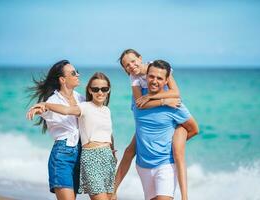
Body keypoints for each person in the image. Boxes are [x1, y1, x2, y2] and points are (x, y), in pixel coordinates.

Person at [114, 50, 199, 200]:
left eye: (134, 61)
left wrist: (175, 142)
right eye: (127, 65)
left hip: (166, 164)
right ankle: (112, 192)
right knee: (128, 151)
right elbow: (140, 106)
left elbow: (193, 129)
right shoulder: (136, 90)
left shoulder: (174, 104)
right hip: (143, 166)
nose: (132, 66)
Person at [28, 72, 116, 200]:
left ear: (109, 90)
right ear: (90, 90)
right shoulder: (84, 107)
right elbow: (65, 110)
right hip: (92, 157)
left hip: (107, 157)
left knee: (111, 198)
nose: (100, 92)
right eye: (95, 89)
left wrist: (113, 154)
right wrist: (46, 105)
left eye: (104, 89)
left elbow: (108, 133)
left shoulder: (107, 110)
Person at [26, 60, 84, 200]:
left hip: (81, 154)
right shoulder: (52, 101)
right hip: (62, 156)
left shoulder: (81, 98)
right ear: (63, 79)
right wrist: (41, 109)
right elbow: (45, 109)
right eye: (73, 73)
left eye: (77, 71)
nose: (78, 75)